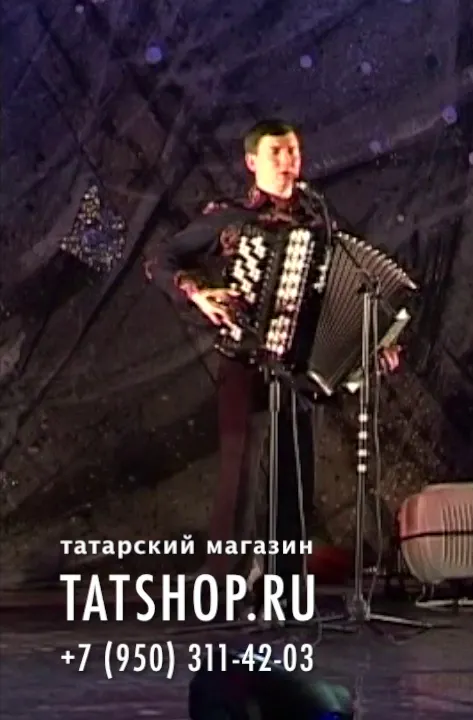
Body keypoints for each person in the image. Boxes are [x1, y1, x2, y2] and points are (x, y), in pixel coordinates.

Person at [145, 119, 401, 595]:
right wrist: (198, 293)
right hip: (244, 358)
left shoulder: (320, 221)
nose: (287, 161)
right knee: (239, 472)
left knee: (294, 474)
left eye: (293, 152)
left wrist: (373, 343)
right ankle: (224, 583)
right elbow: (161, 259)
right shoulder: (229, 216)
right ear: (252, 162)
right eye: (276, 152)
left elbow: (343, 293)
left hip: (299, 368)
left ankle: (283, 582)